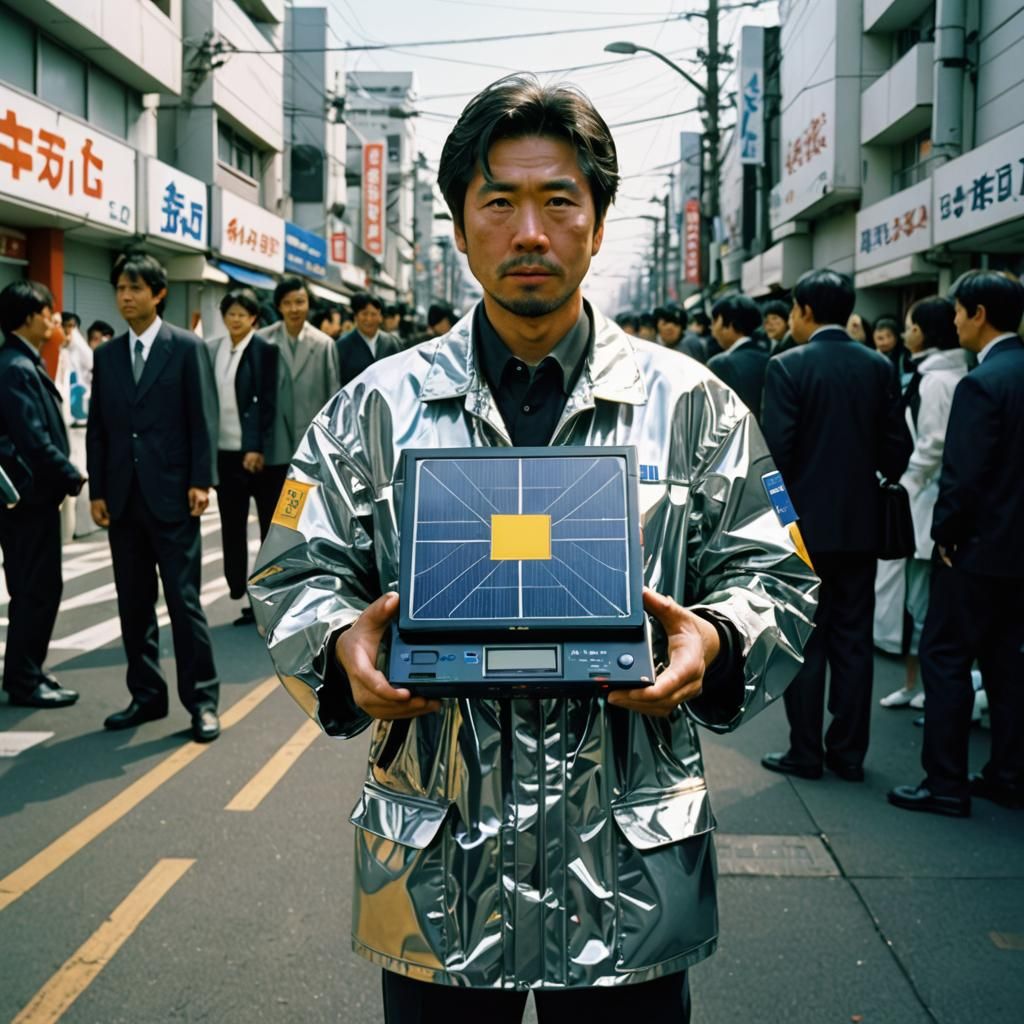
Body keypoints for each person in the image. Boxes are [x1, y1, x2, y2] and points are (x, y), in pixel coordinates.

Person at [249, 74, 817, 1021]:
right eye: (499, 202)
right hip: (439, 879)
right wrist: (340, 647)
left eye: (559, 201)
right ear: (459, 222)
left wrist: (715, 641)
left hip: (627, 878)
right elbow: (291, 570)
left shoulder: (697, 408)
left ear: (598, 221)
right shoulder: (370, 410)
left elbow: (778, 574)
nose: (529, 233)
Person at [760, 269, 911, 782]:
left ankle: (805, 751)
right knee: (853, 638)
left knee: (804, 639)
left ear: (803, 310)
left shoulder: (787, 366)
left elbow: (774, 459)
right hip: (861, 528)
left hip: (803, 530)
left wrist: (782, 522)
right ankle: (848, 753)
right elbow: (897, 452)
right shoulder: (878, 366)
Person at [888, 271, 1024, 817]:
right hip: (1016, 553)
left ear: (979, 314)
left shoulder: (981, 383)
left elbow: (962, 476)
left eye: (960, 312)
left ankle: (945, 783)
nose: (956, 321)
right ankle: (1008, 774)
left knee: (945, 658)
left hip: (974, 550)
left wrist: (945, 535)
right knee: (1008, 664)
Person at [86, 252, 221, 742]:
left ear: (158, 294)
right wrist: (97, 490)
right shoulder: (106, 355)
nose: (125, 297)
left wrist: (201, 481)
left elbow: (202, 419)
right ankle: (146, 696)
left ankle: (202, 701)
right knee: (133, 603)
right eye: (120, 288)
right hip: (123, 499)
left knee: (184, 603)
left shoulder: (185, 347)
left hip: (173, 498)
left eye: (135, 288)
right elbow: (99, 428)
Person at [877, 297, 968, 710]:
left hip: (924, 503)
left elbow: (932, 445)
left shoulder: (935, 381)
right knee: (920, 605)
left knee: (923, 605)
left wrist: (903, 480)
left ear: (923, 331)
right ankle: (915, 685)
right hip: (926, 500)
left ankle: (925, 687)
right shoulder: (942, 374)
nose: (904, 333)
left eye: (910, 326)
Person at [0, 281, 85, 709]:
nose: (55, 319)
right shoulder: (16, 367)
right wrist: (71, 475)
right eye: (49, 312)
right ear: (30, 316)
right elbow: (31, 437)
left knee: (34, 589)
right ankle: (23, 680)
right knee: (36, 590)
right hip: (28, 502)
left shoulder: (21, 361)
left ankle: (27, 670)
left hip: (30, 499)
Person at [206, 287, 279, 627]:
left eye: (242, 314)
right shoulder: (213, 349)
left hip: (257, 457)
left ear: (253, 318)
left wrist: (256, 446)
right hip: (224, 453)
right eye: (230, 313)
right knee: (231, 524)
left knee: (267, 529)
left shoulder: (265, 350)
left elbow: (266, 401)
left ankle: (265, 598)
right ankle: (237, 585)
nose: (235, 319)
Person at [260, 276, 340, 504]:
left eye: (299, 302)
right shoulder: (263, 341)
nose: (294, 309)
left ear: (308, 304)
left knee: (305, 512)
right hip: (273, 445)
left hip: (310, 445)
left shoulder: (324, 344)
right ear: (278, 306)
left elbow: (333, 398)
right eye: (287, 303)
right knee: (272, 511)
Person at [707, 295, 770, 421]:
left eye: (714, 321)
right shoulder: (769, 357)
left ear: (729, 325)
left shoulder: (720, 364)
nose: (712, 328)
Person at [336, 292, 402, 388]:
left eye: (373, 314)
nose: (369, 319)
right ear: (356, 317)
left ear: (380, 317)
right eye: (364, 314)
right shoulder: (342, 346)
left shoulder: (393, 343)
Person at [873, 315, 907, 380]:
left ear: (896, 338)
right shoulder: (869, 357)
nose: (885, 342)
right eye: (880, 338)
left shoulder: (905, 358)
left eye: (889, 336)